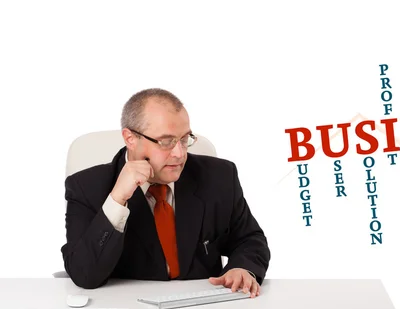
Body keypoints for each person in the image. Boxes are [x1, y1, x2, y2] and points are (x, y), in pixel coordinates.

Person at [61, 88, 270, 297]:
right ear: (130, 138)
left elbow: (249, 239)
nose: (179, 153)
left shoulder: (219, 176)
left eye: (184, 139)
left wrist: (242, 268)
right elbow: (85, 275)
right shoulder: (86, 187)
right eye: (166, 141)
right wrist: (117, 201)